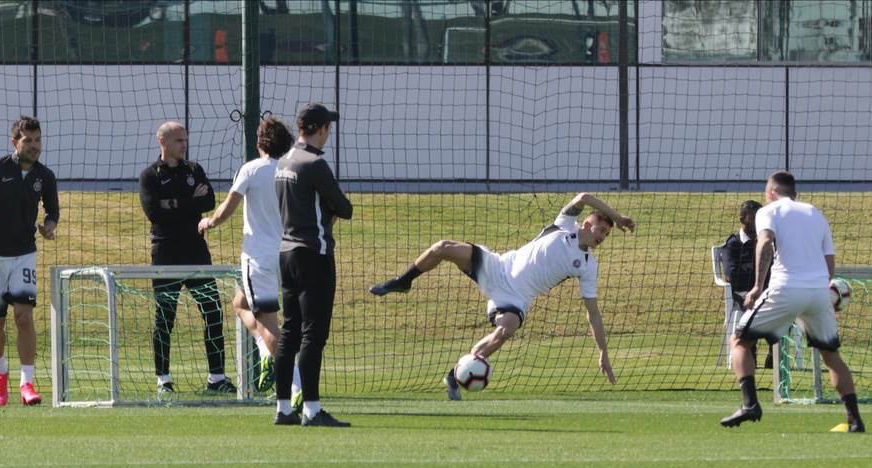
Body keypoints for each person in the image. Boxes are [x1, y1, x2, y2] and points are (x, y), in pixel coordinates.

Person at [370, 192, 635, 400]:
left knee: (506, 329)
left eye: (608, 234)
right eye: (601, 229)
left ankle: (455, 375)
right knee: (443, 248)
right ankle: (403, 282)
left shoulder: (588, 266)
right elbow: (583, 197)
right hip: (497, 268)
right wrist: (618, 216)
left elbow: (593, 314)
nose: (603, 236)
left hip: (517, 297)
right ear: (587, 224)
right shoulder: (564, 225)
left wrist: (603, 352)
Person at [721, 171, 865, 432]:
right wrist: (818, 293)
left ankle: (751, 403)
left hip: (785, 288)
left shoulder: (769, 211)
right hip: (819, 291)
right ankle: (855, 419)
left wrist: (756, 287)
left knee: (740, 341)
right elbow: (829, 264)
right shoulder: (815, 213)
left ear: (772, 191)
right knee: (832, 356)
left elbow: (764, 243)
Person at [197, 115, 301, 399]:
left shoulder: (252, 170)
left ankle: (297, 385)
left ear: (260, 143)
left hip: (260, 258)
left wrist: (209, 222)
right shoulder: (291, 169)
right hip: (290, 256)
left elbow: (227, 209)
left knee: (269, 324)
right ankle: (266, 353)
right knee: (239, 303)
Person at [139, 121, 233, 397]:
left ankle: (217, 377)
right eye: (179, 140)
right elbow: (154, 213)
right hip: (165, 252)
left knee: (212, 310)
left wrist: (173, 202)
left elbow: (209, 202)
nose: (184, 145)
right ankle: (163, 379)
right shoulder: (149, 176)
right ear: (163, 143)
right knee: (165, 316)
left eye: (185, 140)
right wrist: (187, 202)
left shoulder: (194, 170)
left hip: (196, 251)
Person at [274, 103, 353, 426]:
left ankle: (282, 408)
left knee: (289, 331)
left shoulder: (283, 161)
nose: (329, 133)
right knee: (313, 334)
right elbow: (344, 208)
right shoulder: (315, 164)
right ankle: (312, 409)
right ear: (321, 129)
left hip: (286, 253)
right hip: (314, 254)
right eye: (327, 127)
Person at [0, 116, 59, 406]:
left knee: (24, 316)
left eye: (38, 140)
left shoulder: (45, 177)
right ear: (15, 142)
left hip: (24, 254)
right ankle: (0, 375)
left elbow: (52, 212)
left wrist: (49, 226)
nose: (35, 146)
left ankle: (27, 383)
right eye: (28, 141)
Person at [720, 200, 774, 369]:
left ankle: (775, 352)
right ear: (742, 219)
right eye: (754, 218)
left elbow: (774, 270)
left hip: (766, 292)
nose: (759, 222)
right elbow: (732, 275)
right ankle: (750, 348)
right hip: (743, 294)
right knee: (757, 306)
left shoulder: (766, 242)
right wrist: (758, 276)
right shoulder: (733, 244)